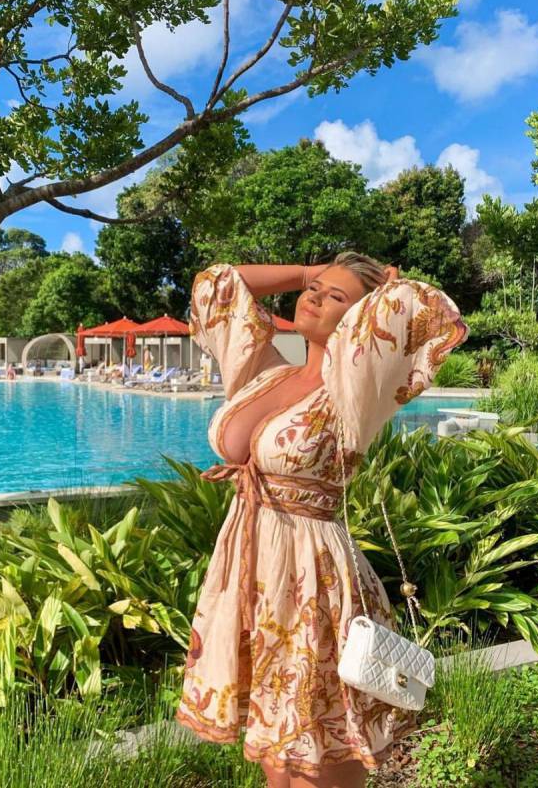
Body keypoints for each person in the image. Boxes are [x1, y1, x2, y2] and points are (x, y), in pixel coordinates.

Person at [175, 255, 469, 787]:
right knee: (276, 748)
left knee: (318, 746)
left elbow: (424, 310)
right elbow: (219, 285)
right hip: (252, 572)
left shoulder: (354, 392)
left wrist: (383, 295)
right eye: (314, 289)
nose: (313, 297)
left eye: (336, 297)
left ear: (360, 319)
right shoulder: (266, 372)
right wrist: (310, 270)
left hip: (312, 577)